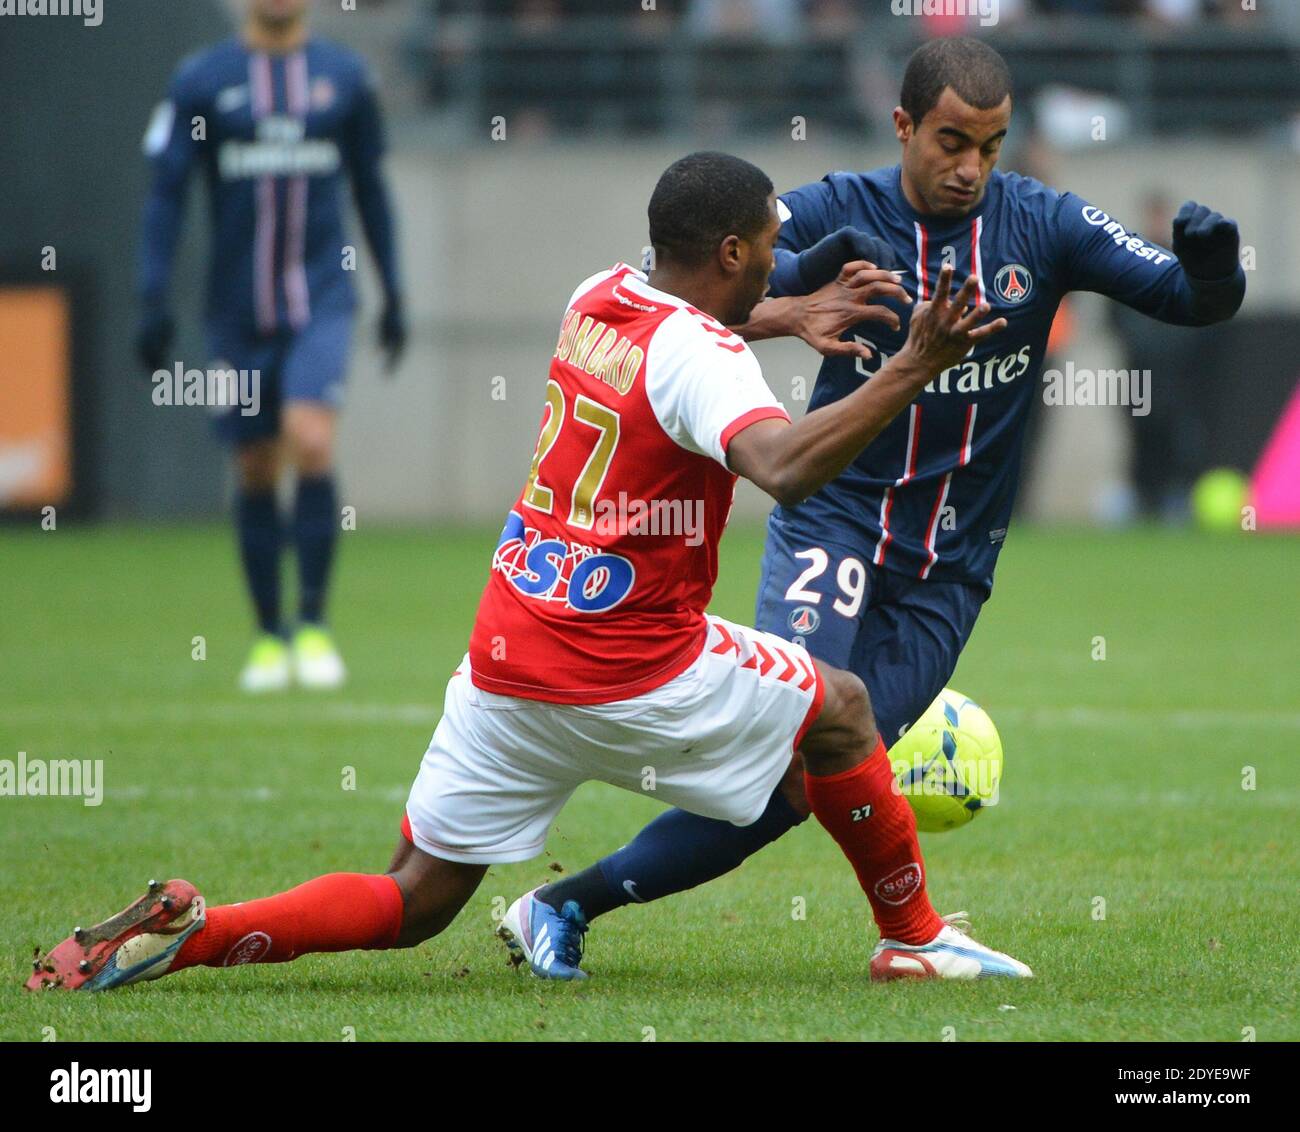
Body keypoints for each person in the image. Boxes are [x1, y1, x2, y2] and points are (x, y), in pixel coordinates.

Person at [26, 151, 1029, 994]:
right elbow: (784, 467)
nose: (779, 251)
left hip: (507, 655)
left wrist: (785, 311)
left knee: (414, 899)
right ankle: (914, 939)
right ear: (731, 252)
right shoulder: (706, 360)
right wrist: (911, 367)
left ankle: (196, 931)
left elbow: (670, 347)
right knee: (844, 707)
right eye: (769, 243)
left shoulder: (595, 294)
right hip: (631, 663)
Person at [518, 36, 1245, 977]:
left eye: (990, 145)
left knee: (805, 785)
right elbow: (674, 298)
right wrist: (788, 306)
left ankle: (564, 904)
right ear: (903, 125)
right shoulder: (830, 211)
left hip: (954, 568)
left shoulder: (1046, 224)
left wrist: (1217, 266)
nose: (971, 168)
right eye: (950, 142)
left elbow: (1192, 299)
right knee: (788, 745)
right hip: (839, 522)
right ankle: (911, 937)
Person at [137, 0, 406, 692]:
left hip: (322, 299)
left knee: (310, 439)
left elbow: (372, 189)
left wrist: (395, 292)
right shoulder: (202, 79)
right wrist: (152, 297)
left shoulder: (345, 77)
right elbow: (166, 193)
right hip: (234, 312)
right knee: (255, 464)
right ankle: (268, 636)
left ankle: (314, 626)